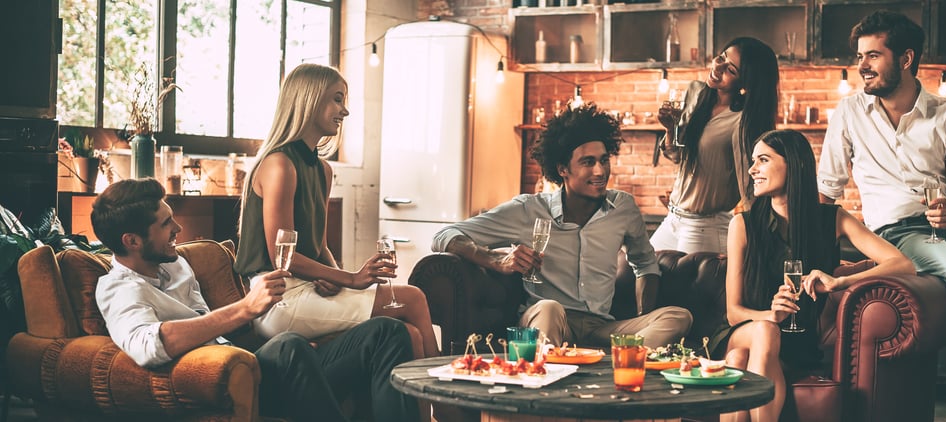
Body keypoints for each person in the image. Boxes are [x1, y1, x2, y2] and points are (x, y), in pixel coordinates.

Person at [91, 178, 419, 421]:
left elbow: (213, 329)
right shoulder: (117, 290)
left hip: (249, 365)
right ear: (132, 241)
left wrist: (267, 314)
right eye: (165, 224)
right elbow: (148, 347)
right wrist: (246, 307)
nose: (178, 227)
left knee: (387, 331)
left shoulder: (175, 265)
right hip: (224, 380)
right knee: (288, 344)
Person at [431, 103, 693, 348]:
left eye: (604, 160)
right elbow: (444, 236)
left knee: (678, 317)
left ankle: (618, 362)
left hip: (600, 328)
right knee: (550, 308)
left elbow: (645, 264)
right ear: (562, 169)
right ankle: (553, 380)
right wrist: (493, 259)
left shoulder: (622, 208)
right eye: (588, 162)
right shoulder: (528, 210)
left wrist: (642, 318)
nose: (600, 172)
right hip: (546, 319)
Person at [817, 10, 946, 378]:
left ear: (906, 59)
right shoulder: (848, 113)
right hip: (896, 235)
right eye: (859, 56)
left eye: (872, 56)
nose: (862, 65)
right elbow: (825, 191)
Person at [233, 63, 439, 357]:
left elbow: (320, 246)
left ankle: (425, 403)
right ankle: (449, 400)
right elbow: (284, 257)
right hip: (276, 298)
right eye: (337, 99)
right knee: (414, 299)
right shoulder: (279, 164)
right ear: (309, 100)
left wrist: (335, 275)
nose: (345, 111)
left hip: (304, 289)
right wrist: (351, 279)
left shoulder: (323, 170)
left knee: (410, 335)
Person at [712, 129, 914, 422]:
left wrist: (839, 282)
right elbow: (733, 313)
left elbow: (902, 264)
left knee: (736, 363)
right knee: (762, 334)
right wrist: (773, 315)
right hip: (743, 331)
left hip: (797, 344)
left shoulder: (832, 219)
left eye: (763, 160)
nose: (752, 170)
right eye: (753, 161)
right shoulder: (742, 225)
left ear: (794, 164)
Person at [649, 37, 779, 254]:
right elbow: (679, 158)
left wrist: (761, 239)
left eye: (730, 70)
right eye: (721, 58)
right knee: (640, 274)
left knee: (684, 288)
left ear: (745, 84)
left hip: (704, 227)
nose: (717, 69)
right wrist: (670, 129)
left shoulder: (742, 121)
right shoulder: (696, 95)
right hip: (672, 219)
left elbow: (750, 184)